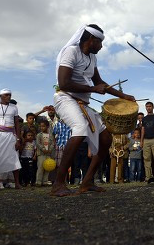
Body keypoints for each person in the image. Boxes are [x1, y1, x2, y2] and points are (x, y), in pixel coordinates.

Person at [52, 23, 135, 196]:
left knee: (105, 137)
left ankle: (87, 182)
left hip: (82, 103)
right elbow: (63, 83)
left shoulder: (92, 58)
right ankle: (58, 184)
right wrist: (92, 90)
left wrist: (123, 95)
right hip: (65, 98)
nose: (102, 46)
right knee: (80, 129)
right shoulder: (71, 52)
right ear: (91, 40)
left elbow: (99, 82)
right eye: (100, 43)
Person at [0, 89, 22, 190]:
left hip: (10, 135)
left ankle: (17, 183)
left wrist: (18, 139)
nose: (9, 97)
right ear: (1, 96)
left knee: (14, 158)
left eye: (10, 95)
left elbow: (17, 124)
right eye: (6, 95)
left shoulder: (14, 107)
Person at [140, 102, 154, 183]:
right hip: (146, 140)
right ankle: (148, 176)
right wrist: (141, 141)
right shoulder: (144, 118)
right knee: (146, 159)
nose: (148, 108)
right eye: (147, 107)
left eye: (150, 106)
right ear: (145, 108)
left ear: (153, 107)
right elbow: (143, 130)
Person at [35, 119, 55, 186]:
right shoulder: (39, 135)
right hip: (41, 154)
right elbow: (38, 143)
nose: (41, 128)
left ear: (47, 127)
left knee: (47, 168)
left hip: (48, 154)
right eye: (40, 126)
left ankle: (45, 181)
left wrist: (50, 149)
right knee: (40, 168)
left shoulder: (50, 135)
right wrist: (43, 149)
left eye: (43, 126)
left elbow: (52, 143)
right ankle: (38, 182)